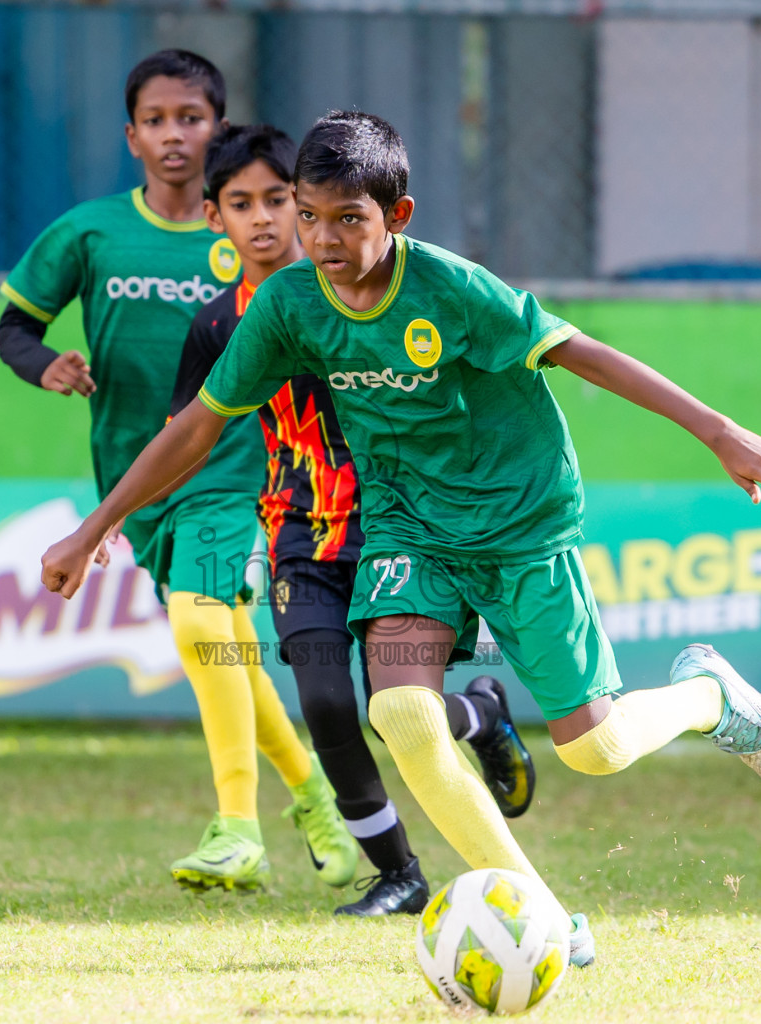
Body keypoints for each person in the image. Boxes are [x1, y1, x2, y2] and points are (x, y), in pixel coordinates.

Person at [38, 110, 761, 966]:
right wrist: (93, 528)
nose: (322, 239)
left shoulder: (452, 288)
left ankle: (707, 697)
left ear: (395, 217)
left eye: (348, 219)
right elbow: (196, 427)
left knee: (595, 750)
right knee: (401, 712)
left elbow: (583, 352)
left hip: (520, 521)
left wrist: (718, 431)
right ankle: (545, 916)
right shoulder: (289, 306)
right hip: (408, 527)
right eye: (309, 215)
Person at [0, 51, 352, 894]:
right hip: (137, 475)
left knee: (201, 625)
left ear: (217, 130)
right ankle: (317, 799)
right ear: (131, 137)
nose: (172, 135)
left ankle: (235, 827)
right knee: (224, 650)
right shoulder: (90, 232)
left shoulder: (262, 235)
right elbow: (13, 327)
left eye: (189, 118)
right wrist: (43, 362)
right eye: (155, 121)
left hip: (239, 471)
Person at [166, 124, 539, 918]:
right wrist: (134, 526)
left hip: (392, 526)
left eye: (280, 202)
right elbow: (187, 436)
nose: (268, 221)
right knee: (328, 703)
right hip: (297, 534)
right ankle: (398, 875)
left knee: (394, 707)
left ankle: (481, 714)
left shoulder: (363, 299)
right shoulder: (218, 325)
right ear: (217, 220)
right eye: (248, 204)